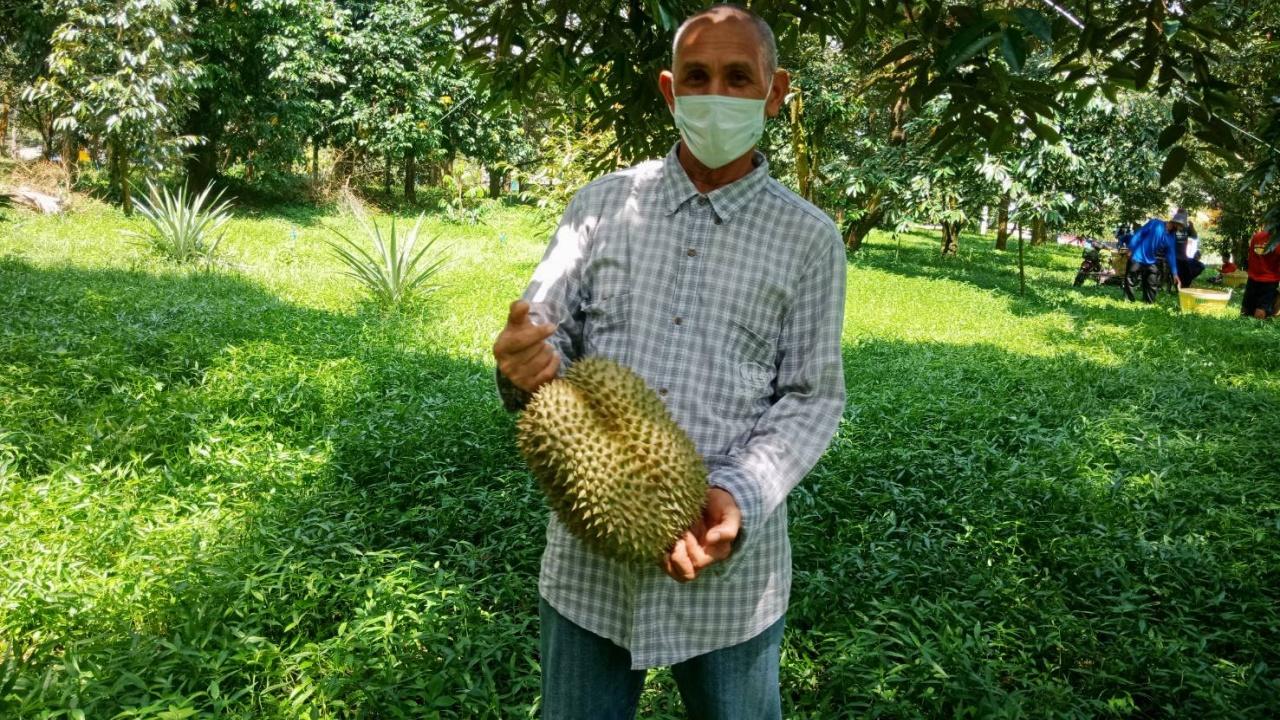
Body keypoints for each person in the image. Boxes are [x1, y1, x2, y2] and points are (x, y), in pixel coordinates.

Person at [490, 6, 846, 718]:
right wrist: (522, 364)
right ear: (669, 89)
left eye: (738, 77)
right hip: (589, 576)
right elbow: (542, 334)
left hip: (732, 588)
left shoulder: (809, 239)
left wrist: (738, 496)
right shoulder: (600, 205)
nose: (716, 93)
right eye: (697, 76)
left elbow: (812, 396)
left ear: (774, 93)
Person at [1121, 213, 1182, 303]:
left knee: (1152, 281)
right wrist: (1131, 248)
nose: (1180, 229)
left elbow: (1171, 254)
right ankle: (1129, 300)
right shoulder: (1155, 223)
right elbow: (1140, 233)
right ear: (1175, 223)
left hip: (1151, 260)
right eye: (1180, 226)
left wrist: (1174, 273)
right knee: (1131, 277)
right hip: (1138, 255)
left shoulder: (1171, 237)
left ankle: (1149, 302)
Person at [1241, 228, 1280, 319]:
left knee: (1246, 308)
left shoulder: (1257, 237)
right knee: (1262, 309)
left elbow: (1250, 256)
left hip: (1253, 277)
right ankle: (1257, 325)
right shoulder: (1277, 241)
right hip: (1270, 281)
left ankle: (1241, 324)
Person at [1171, 208, 1205, 287]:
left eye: (1185, 216)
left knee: (1198, 267)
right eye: (1183, 215)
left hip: (1183, 256)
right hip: (1174, 256)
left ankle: (1183, 287)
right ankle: (1178, 286)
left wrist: (1192, 227)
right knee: (1180, 273)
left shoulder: (1186, 228)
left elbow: (1195, 236)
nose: (1184, 217)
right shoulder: (1173, 226)